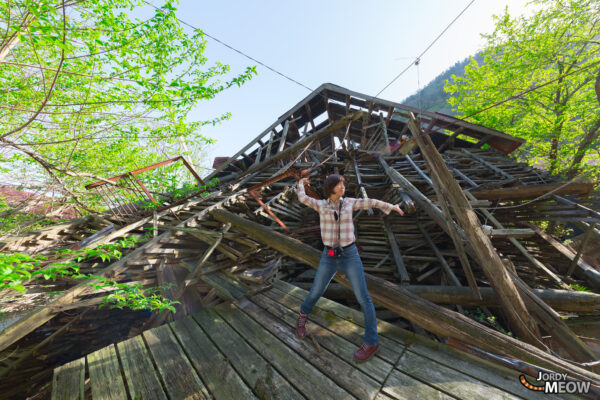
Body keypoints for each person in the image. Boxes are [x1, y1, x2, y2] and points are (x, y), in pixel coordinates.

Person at [295, 173, 404, 362]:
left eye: (343, 184)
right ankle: (303, 315)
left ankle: (372, 342)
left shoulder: (350, 203)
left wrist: (391, 206)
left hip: (350, 254)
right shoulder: (321, 205)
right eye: (339, 185)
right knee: (316, 291)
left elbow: (370, 201)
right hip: (329, 256)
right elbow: (303, 198)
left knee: (364, 298)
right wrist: (300, 183)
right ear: (330, 188)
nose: (343, 187)